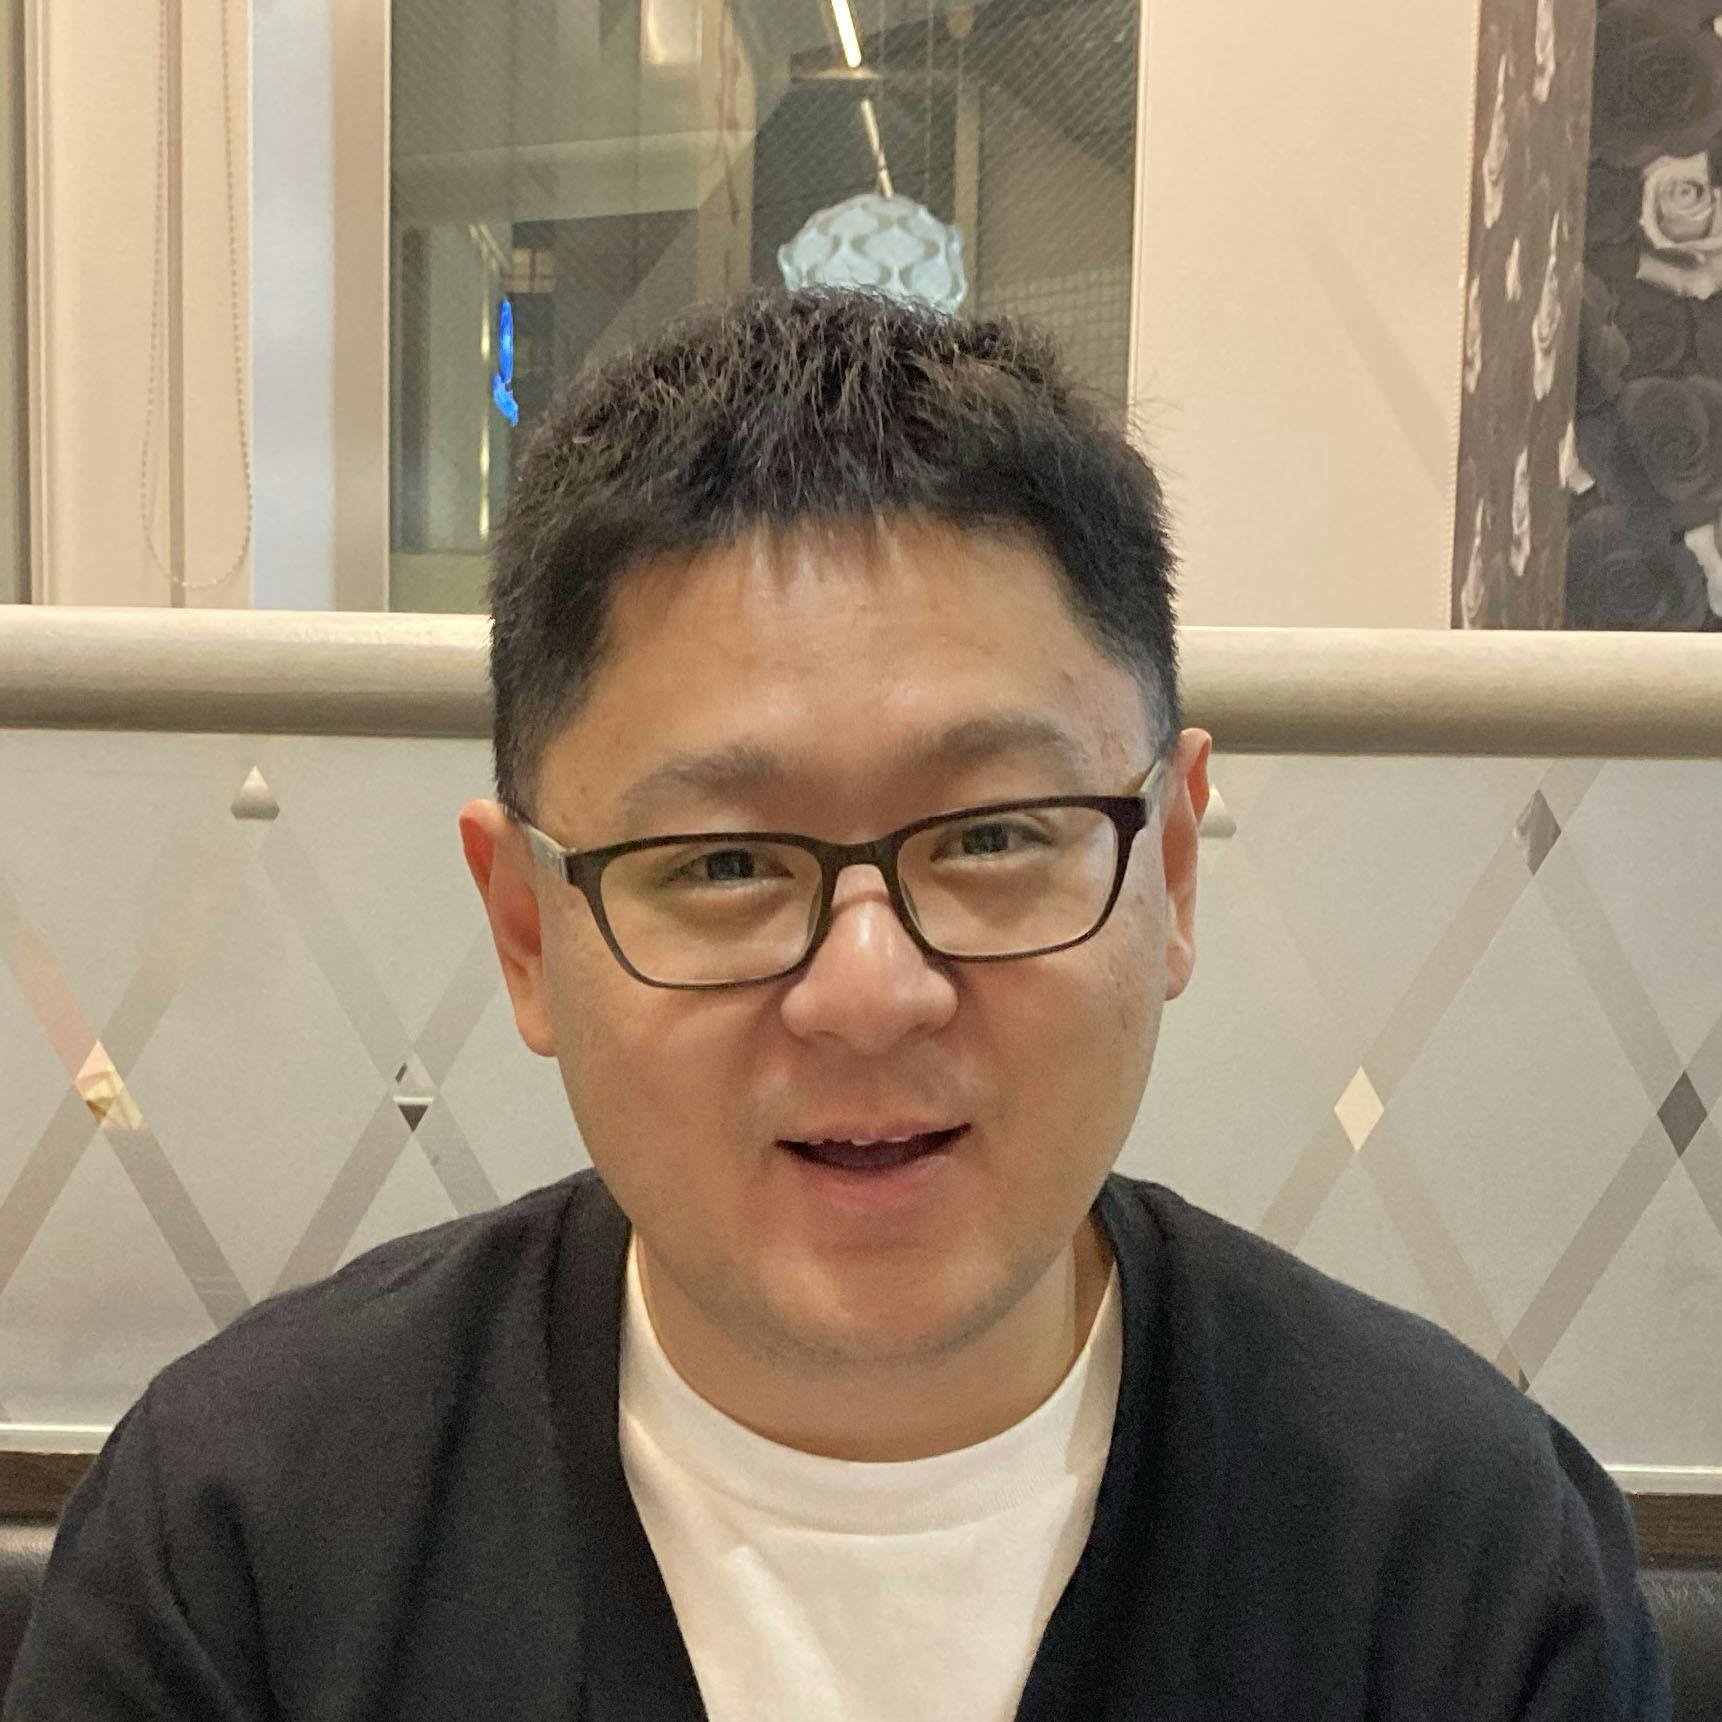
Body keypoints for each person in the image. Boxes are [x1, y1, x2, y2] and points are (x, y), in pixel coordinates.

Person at [5, 290, 1669, 1721]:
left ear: (1167, 865)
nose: (869, 991)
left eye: (995, 836)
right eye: (724, 862)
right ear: (525, 929)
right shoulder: (240, 1552)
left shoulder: (1460, 1566)